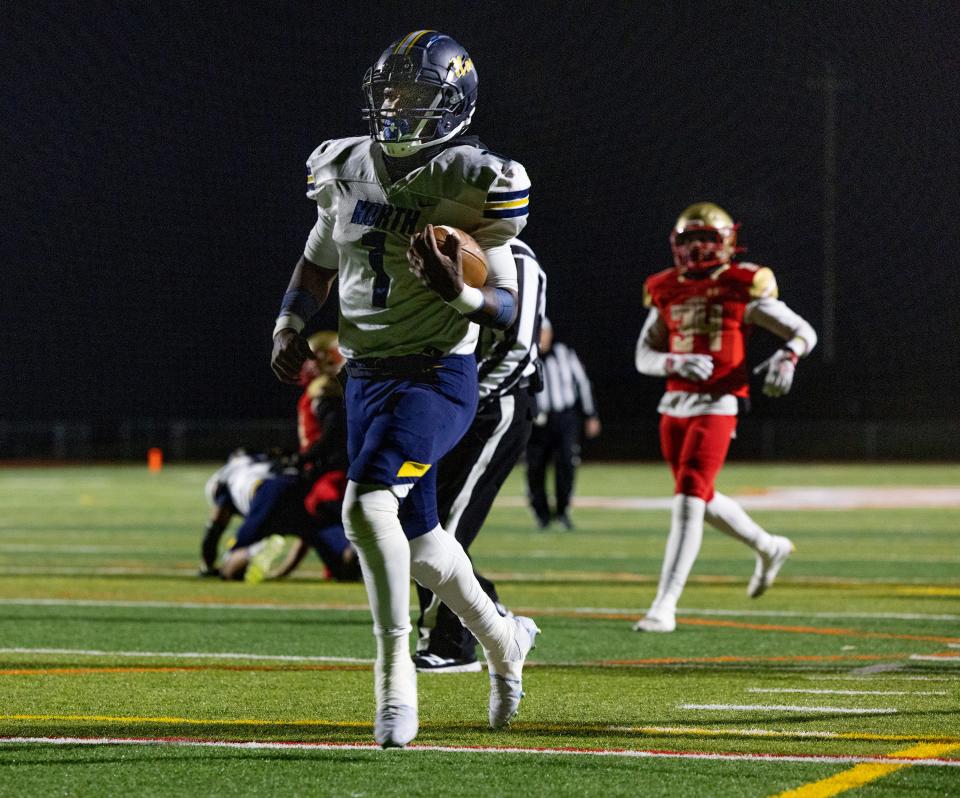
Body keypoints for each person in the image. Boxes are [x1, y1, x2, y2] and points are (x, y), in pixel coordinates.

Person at [270, 31, 540, 748]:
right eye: (390, 92)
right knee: (420, 542)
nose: (397, 106)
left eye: (416, 95)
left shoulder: (475, 176)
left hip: (435, 373)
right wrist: (289, 323)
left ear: (454, 104)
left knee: (365, 507)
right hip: (364, 374)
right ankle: (503, 636)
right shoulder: (343, 166)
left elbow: (511, 313)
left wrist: (464, 294)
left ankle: (395, 679)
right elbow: (316, 261)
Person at [633, 202, 817, 632]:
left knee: (689, 497)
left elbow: (803, 330)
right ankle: (768, 546)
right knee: (700, 494)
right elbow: (644, 355)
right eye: (689, 240)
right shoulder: (664, 287)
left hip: (719, 402)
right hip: (674, 404)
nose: (697, 249)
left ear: (727, 242)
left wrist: (788, 357)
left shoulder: (743, 284)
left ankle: (665, 604)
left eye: (706, 240)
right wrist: (673, 365)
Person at [414, 238, 547, 673]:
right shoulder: (432, 246)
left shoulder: (517, 259)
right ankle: (488, 610)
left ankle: (450, 644)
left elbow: (518, 349)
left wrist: (461, 400)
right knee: (420, 525)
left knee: (447, 524)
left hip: (496, 407)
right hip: (450, 405)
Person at [198, 449, 359, 582]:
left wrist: (207, 566)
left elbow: (214, 528)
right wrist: (285, 570)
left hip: (267, 494)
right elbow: (306, 537)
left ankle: (255, 551)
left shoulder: (228, 476)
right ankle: (352, 549)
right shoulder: (262, 461)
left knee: (230, 570)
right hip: (299, 486)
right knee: (343, 570)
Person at [525, 320, 600, 529]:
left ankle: (563, 510)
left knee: (566, 463)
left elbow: (583, 384)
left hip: (564, 418)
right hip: (537, 422)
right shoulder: (526, 356)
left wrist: (590, 414)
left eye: (545, 332)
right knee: (535, 467)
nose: (542, 336)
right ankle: (541, 515)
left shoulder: (565, 353)